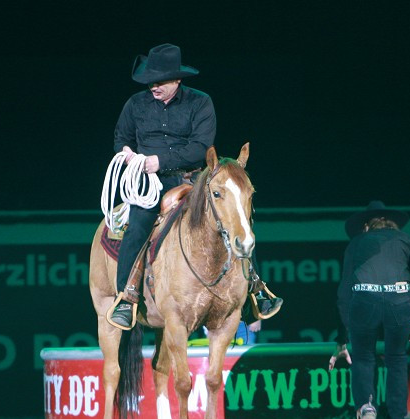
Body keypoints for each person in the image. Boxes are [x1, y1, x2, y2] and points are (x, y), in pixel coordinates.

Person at [108, 43, 283, 330]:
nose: (154, 86)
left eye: (161, 81)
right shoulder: (135, 105)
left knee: (234, 216)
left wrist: (158, 160)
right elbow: (121, 137)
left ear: (178, 80)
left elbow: (200, 147)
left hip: (191, 180)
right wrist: (127, 154)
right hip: (148, 183)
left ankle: (256, 289)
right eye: (151, 81)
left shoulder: (200, 103)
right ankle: (126, 298)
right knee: (138, 224)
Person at [328, 200, 410, 419]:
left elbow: (343, 292)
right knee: (396, 360)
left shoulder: (356, 244)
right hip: (400, 301)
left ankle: (366, 407)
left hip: (364, 299)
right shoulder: (405, 240)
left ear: (366, 226)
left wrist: (342, 338)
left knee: (363, 357)